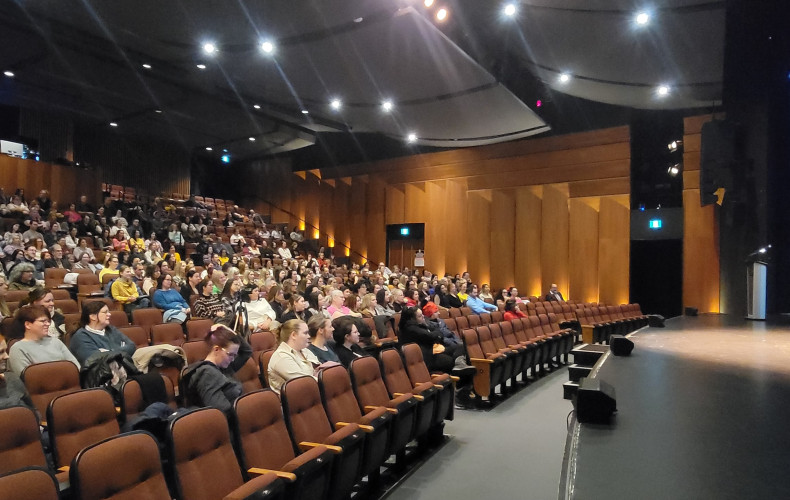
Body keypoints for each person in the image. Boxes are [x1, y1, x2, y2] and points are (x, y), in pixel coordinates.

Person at [182, 324, 251, 415]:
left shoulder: (225, 366)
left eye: (235, 355)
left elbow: (246, 351)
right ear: (216, 349)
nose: (233, 359)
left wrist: (228, 330)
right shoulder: (207, 374)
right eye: (231, 354)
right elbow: (222, 411)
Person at [7, 305, 79, 374]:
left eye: (48, 321)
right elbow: (27, 378)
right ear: (28, 324)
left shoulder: (56, 342)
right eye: (43, 321)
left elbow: (76, 366)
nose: (47, 324)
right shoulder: (18, 348)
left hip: (67, 383)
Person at [69, 301, 136, 364]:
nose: (109, 314)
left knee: (145, 352)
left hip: (124, 364)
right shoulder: (80, 336)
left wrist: (109, 352)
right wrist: (121, 350)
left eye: (108, 312)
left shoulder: (111, 329)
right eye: (105, 312)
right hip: (102, 372)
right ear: (93, 317)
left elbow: (131, 346)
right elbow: (93, 359)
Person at [267, 319, 323, 394]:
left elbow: (320, 368)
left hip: (311, 394)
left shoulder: (304, 350)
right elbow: (305, 382)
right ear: (293, 335)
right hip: (293, 402)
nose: (309, 336)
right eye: (305, 333)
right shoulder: (281, 357)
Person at [0, 334, 36, 411]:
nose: (7, 356)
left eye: (5, 351)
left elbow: (33, 411)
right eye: (1, 352)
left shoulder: (12, 378)